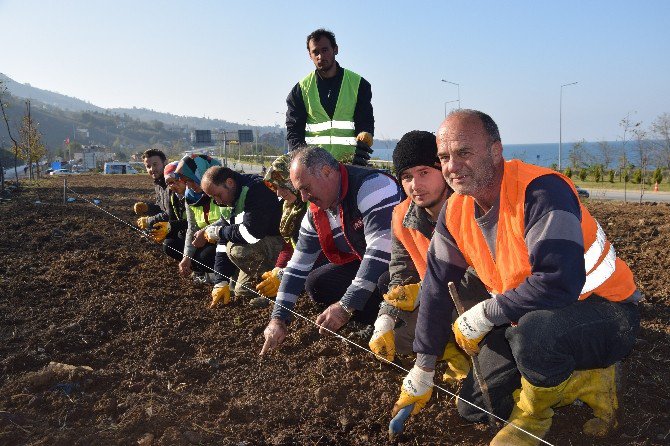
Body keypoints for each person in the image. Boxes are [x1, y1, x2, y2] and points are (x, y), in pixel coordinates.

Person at [392, 110, 641, 445]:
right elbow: (436, 287)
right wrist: (423, 367)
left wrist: (485, 314)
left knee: (535, 336)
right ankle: (569, 379)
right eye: (445, 157)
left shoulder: (541, 192)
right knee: (475, 408)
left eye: (464, 153)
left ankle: (541, 413)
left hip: (607, 313)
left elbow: (558, 281)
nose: (452, 166)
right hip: (528, 315)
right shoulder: (456, 210)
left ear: (496, 151)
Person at [260, 146, 402, 355]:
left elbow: (380, 252)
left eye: (306, 188)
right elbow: (298, 265)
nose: (304, 197)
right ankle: (372, 320)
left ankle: (397, 329)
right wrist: (278, 318)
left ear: (327, 171)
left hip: (403, 265)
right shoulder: (317, 212)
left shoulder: (372, 186)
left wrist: (345, 306)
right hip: (367, 260)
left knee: (383, 281)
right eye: (300, 190)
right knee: (317, 284)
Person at [367, 130, 472, 384]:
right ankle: (446, 348)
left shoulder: (469, 207)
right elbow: (401, 272)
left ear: (444, 170)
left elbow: (483, 275)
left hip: (474, 300)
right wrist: (385, 318)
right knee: (399, 337)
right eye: (406, 177)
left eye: (424, 172)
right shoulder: (402, 215)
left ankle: (464, 350)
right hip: (436, 300)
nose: (415, 185)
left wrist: (424, 289)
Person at [285, 28, 374, 166]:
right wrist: (303, 160)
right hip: (315, 168)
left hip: (350, 164)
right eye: (315, 52)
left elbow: (365, 121)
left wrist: (361, 155)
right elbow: (294, 131)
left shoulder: (359, 84)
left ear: (335, 49)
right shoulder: (300, 90)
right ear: (310, 55)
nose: (320, 56)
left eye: (325, 50)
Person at [200, 165, 284, 308]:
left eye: (218, 195)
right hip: (263, 244)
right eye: (213, 198)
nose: (218, 201)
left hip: (281, 244)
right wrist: (220, 281)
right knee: (242, 290)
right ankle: (260, 284)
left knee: (236, 249)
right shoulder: (230, 199)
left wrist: (220, 232)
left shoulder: (256, 190)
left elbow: (251, 235)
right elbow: (224, 239)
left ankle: (277, 291)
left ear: (230, 183)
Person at [254, 154, 310, 298]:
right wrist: (278, 269)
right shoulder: (290, 207)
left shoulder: (312, 207)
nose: (279, 193)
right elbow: (288, 246)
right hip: (300, 264)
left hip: (315, 265)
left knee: (314, 283)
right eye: (275, 188)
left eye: (283, 187)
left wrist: (285, 274)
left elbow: (317, 252)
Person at [175, 154, 224, 284]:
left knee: (204, 257)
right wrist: (186, 257)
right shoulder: (190, 196)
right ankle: (206, 273)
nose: (189, 185)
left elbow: (229, 219)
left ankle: (223, 277)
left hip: (224, 237)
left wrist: (206, 232)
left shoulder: (222, 188)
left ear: (202, 173)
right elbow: (192, 227)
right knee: (172, 245)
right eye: (185, 182)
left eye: (191, 180)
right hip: (206, 238)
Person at [148, 161, 188, 262]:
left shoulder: (195, 195)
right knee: (169, 244)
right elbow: (172, 218)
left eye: (177, 179)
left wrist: (170, 226)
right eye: (170, 182)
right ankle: (194, 268)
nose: (174, 184)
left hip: (199, 233)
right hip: (185, 232)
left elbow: (196, 222)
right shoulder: (173, 197)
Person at [134, 149, 169, 230]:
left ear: (165, 163)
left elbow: (173, 213)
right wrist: (147, 207)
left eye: (155, 164)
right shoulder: (159, 183)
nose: (152, 169)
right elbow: (161, 208)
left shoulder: (173, 183)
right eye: (148, 166)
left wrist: (149, 220)